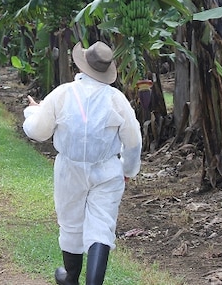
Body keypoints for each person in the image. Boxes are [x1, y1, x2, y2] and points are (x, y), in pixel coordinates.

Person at [22, 41, 143, 285]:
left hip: (70, 168)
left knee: (70, 222)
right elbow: (133, 141)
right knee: (102, 225)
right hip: (107, 169)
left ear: (82, 64)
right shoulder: (116, 99)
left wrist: (33, 111)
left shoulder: (63, 93)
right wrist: (128, 170)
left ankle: (71, 277)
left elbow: (38, 132)